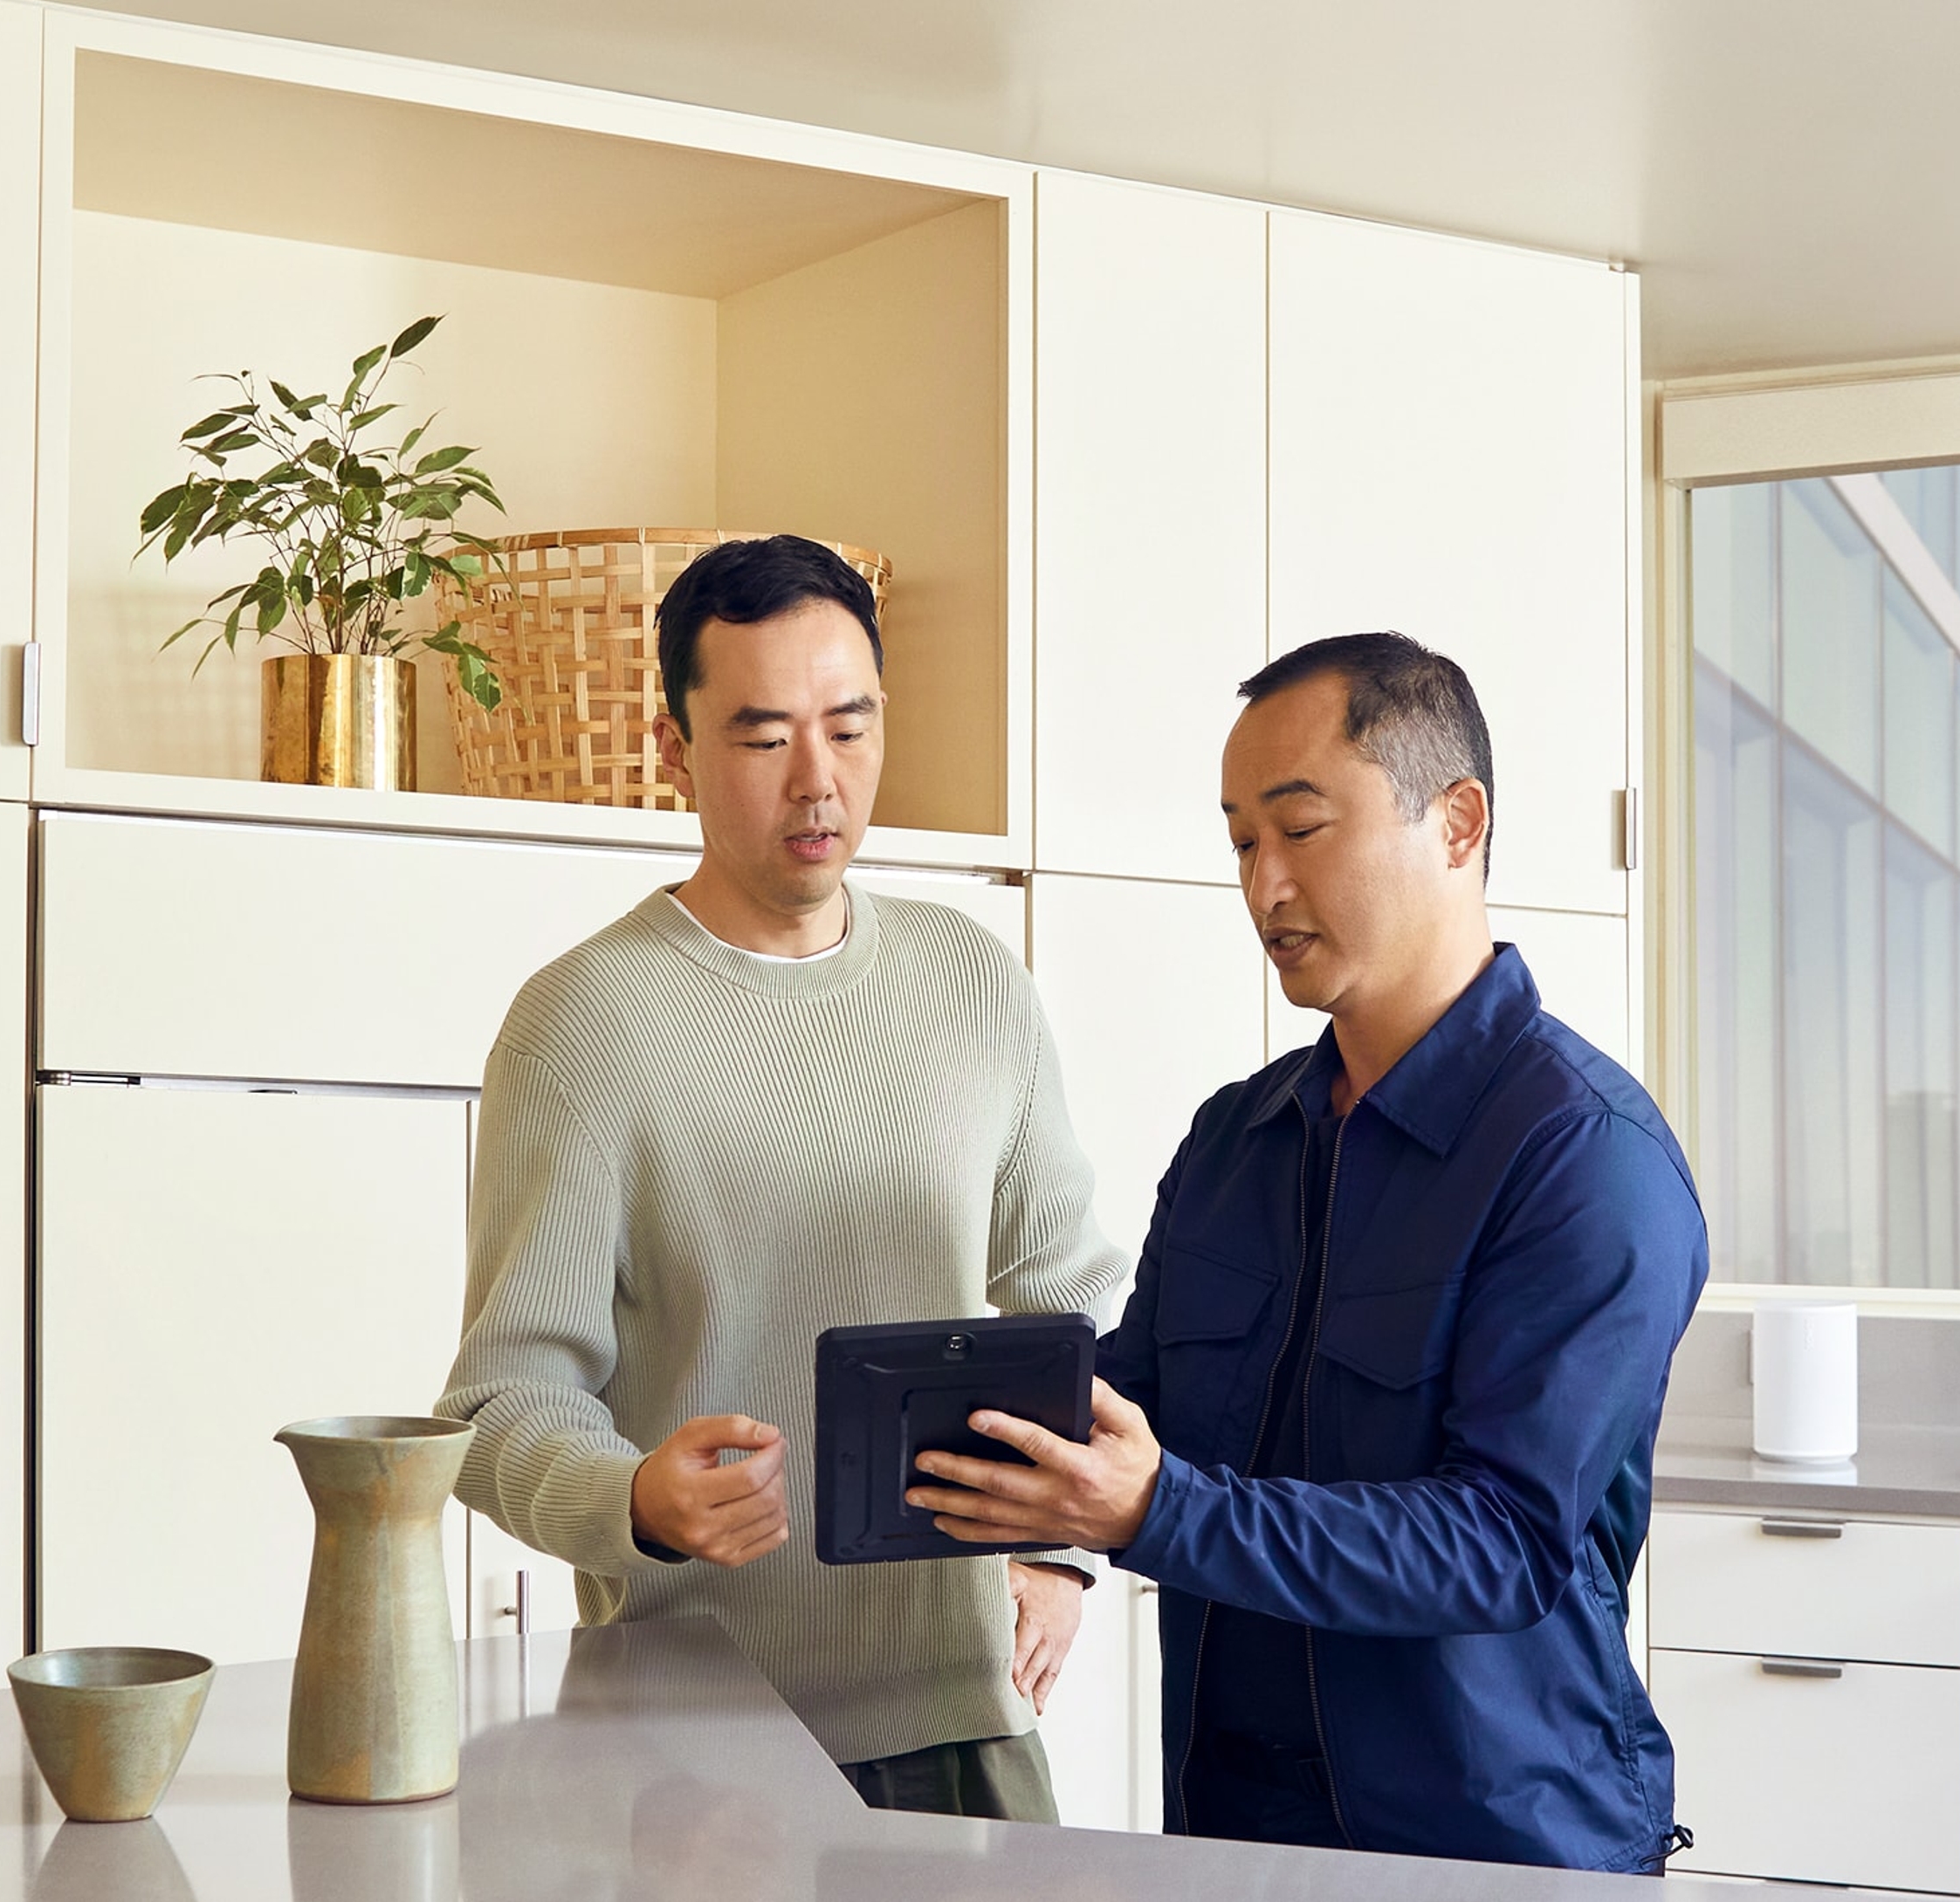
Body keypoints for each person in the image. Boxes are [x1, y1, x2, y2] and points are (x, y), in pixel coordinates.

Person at [903, 631, 1709, 1873]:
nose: (1264, 884)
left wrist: (1155, 1508)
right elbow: (1143, 1396)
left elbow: (1498, 1541)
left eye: (1302, 827)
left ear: (1458, 821)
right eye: (1239, 840)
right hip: (1234, 1837)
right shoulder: (1240, 1136)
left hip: (1494, 1851)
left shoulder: (1585, 1159)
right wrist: (1031, 1519)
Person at [436, 534, 1124, 1821]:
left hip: (962, 1718)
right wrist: (634, 1495)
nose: (818, 779)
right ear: (671, 748)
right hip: (684, 1749)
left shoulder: (975, 982)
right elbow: (497, 1403)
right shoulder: (583, 1020)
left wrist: (1061, 1553)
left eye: (849, 728)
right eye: (761, 737)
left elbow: (1074, 1312)